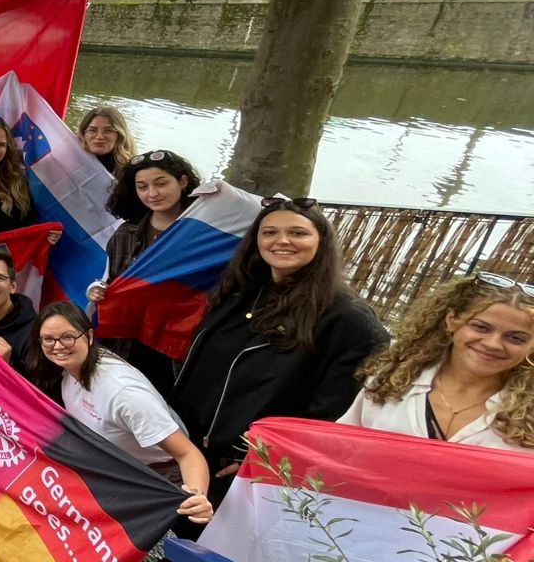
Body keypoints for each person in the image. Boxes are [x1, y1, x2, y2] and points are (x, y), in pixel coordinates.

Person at [170, 198, 390, 500]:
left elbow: (335, 410)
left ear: (321, 241)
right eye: (269, 232)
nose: (282, 241)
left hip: (249, 468)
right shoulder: (240, 292)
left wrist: (272, 456)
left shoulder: (348, 320)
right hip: (189, 451)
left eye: (298, 233)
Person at [28, 301, 214, 562]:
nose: (58, 346)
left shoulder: (125, 395)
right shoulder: (67, 369)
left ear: (88, 336)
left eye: (67, 337)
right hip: (110, 456)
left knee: (120, 530)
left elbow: (188, 453)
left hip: (153, 471)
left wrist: (197, 495)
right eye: (49, 339)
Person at [340, 274, 533, 450]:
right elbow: (340, 446)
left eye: (516, 338)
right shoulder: (391, 380)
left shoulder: (530, 416)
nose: (493, 344)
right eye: (481, 327)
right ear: (452, 321)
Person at [88, 149, 203, 397]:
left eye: (161, 183)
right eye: (142, 187)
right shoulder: (124, 234)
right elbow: (112, 279)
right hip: (125, 340)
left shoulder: (204, 236)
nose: (152, 193)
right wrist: (99, 290)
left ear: (183, 182)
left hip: (172, 347)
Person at [78, 107, 135, 175]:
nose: (99, 137)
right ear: (83, 133)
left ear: (120, 135)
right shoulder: (70, 159)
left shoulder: (132, 171)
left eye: (108, 131)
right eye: (92, 130)